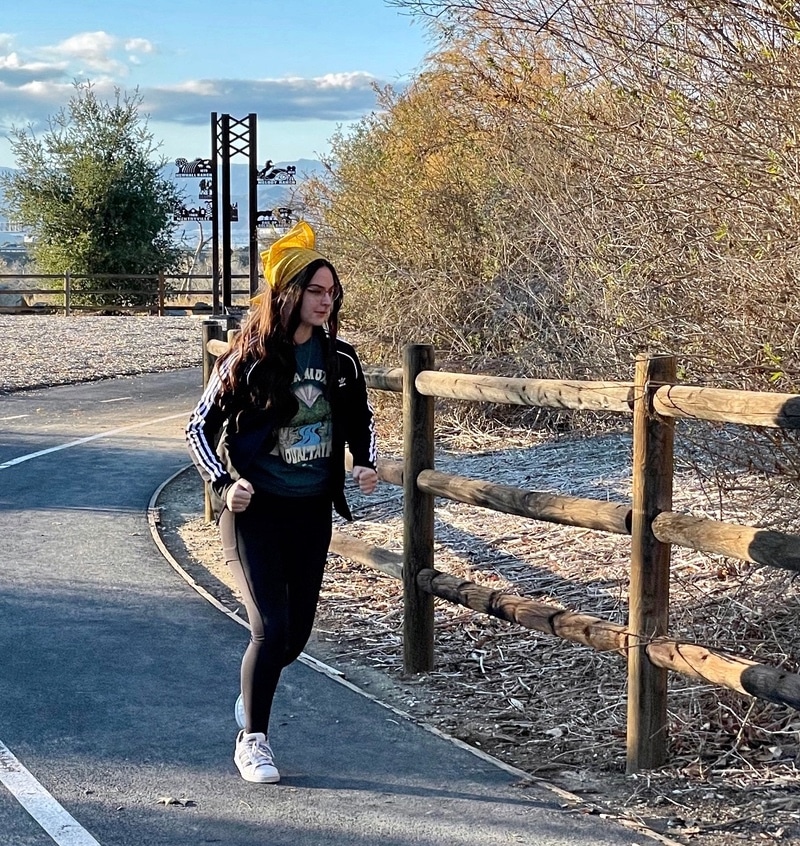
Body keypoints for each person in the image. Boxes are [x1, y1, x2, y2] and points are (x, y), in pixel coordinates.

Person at [185, 221, 378, 783]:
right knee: (270, 629)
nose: (327, 300)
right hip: (256, 515)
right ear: (289, 294)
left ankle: (253, 696)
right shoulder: (247, 361)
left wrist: (363, 459)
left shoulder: (340, 361)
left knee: (295, 636)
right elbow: (198, 428)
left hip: (312, 513)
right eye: (316, 290)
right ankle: (254, 740)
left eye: (331, 291)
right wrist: (225, 483)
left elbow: (360, 418)